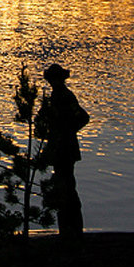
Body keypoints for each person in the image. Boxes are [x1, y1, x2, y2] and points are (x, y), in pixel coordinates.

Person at [40, 64, 90, 239]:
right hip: (59, 148)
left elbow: (84, 117)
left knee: (67, 188)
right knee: (63, 186)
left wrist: (68, 132)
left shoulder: (66, 96)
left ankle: (73, 230)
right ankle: (68, 230)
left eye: (55, 78)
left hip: (65, 149)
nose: (52, 82)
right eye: (51, 79)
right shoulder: (54, 97)